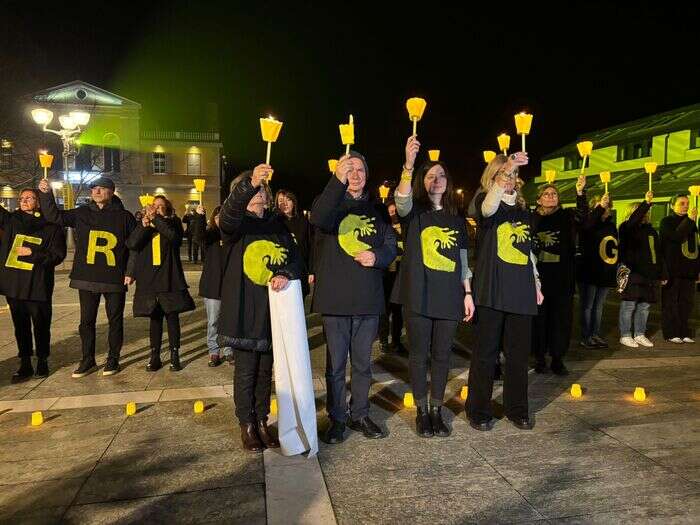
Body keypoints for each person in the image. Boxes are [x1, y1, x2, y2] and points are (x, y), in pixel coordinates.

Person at [311, 151, 397, 444]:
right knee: (335, 366)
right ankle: (336, 418)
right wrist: (336, 179)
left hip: (367, 297)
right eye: (350, 170)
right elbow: (319, 218)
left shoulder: (378, 209)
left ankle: (359, 413)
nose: (355, 174)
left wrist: (378, 256)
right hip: (336, 298)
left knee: (362, 363)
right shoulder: (331, 206)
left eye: (360, 169)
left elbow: (390, 245)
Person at [394, 136, 474, 437]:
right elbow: (401, 198)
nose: (437, 180)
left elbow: (463, 260)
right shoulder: (413, 211)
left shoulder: (456, 219)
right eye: (430, 175)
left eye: (441, 175)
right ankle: (422, 411)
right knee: (418, 355)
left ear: (448, 182)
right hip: (418, 293)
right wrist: (409, 164)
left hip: (450, 295)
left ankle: (437, 409)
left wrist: (468, 293)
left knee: (442, 355)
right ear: (422, 182)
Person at [217, 165, 301, 452]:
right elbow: (228, 216)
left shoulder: (278, 225)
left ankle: (263, 420)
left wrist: (285, 273)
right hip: (244, 306)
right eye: (252, 191)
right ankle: (247, 424)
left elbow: (295, 260)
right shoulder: (237, 225)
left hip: (271, 308)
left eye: (261, 191)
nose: (258, 195)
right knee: (246, 370)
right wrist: (250, 182)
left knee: (266, 370)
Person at [467, 152, 542, 432]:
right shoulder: (485, 203)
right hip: (492, 290)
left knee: (518, 355)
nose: (509, 180)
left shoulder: (524, 212)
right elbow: (487, 208)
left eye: (512, 175)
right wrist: (507, 165)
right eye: (503, 174)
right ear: (493, 177)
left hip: (520, 291)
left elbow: (528, 252)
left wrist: (536, 283)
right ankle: (478, 410)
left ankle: (517, 409)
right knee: (486, 354)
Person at [37, 177, 136, 377]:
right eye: (94, 188)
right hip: (86, 275)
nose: (96, 191)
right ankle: (88, 359)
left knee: (115, 320)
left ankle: (113, 359)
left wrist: (130, 271)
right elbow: (53, 216)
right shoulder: (82, 213)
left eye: (101, 188)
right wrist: (46, 195)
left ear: (111, 192)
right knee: (86, 321)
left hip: (114, 276)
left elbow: (134, 246)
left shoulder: (125, 217)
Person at [0, 189, 66, 380]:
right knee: (20, 326)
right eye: (21, 198)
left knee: (41, 325)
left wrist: (33, 254)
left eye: (28, 197)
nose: (23, 200)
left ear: (38, 201)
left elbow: (57, 255)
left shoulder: (51, 226)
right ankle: (25, 362)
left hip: (38, 284)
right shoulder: (12, 220)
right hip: (16, 284)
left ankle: (43, 360)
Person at [126, 195, 194, 371]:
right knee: (154, 319)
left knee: (172, 317)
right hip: (149, 278)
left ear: (168, 209)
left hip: (168, 277)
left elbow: (174, 238)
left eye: (161, 206)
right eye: (154, 206)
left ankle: (174, 354)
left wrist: (156, 218)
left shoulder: (173, 222)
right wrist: (143, 225)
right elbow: (132, 244)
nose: (156, 208)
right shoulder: (144, 224)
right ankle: (154, 355)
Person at [531, 177, 587, 376]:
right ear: (539, 199)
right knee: (538, 320)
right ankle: (539, 358)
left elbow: (583, 217)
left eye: (554, 194)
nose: (551, 196)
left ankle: (557, 358)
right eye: (546, 194)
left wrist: (580, 193)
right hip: (538, 279)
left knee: (561, 320)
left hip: (562, 278)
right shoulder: (532, 218)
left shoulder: (567, 216)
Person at [618, 191, 664, 348]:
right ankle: (625, 334)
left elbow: (657, 252)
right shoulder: (626, 228)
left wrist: (662, 272)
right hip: (633, 272)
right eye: (641, 212)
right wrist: (646, 203)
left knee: (644, 306)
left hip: (650, 274)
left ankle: (639, 333)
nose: (645, 215)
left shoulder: (651, 231)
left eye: (646, 212)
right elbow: (633, 222)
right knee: (629, 304)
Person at [578, 193, 618, 348]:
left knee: (599, 306)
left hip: (605, 272)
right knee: (587, 306)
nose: (604, 209)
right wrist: (599, 208)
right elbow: (587, 226)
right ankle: (586, 336)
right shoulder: (589, 224)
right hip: (589, 271)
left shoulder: (611, 226)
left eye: (607, 206)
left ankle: (595, 334)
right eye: (601, 206)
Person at [660, 194, 699, 343]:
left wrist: (697, 269)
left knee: (686, 302)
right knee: (671, 302)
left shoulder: (691, 223)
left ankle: (684, 331)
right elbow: (676, 237)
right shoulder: (667, 222)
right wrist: (689, 220)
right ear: (672, 206)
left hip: (689, 270)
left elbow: (695, 247)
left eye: (687, 203)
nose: (686, 206)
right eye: (682, 203)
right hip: (672, 269)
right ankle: (671, 332)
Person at [198, 205, 234, 366]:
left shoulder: (232, 235)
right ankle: (214, 351)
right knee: (213, 321)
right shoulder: (211, 234)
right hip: (212, 286)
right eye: (218, 216)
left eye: (224, 216)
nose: (221, 219)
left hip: (229, 286)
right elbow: (199, 236)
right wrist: (199, 217)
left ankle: (228, 350)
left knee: (230, 320)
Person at [378, 199, 405, 353]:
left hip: (400, 275)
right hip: (386, 274)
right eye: (391, 212)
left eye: (395, 212)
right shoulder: (384, 228)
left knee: (398, 311)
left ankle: (396, 340)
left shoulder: (405, 227)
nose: (393, 214)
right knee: (385, 310)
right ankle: (383, 340)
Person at [275, 189, 313, 296]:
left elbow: (310, 246)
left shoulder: (303, 222)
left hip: (300, 271)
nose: (285, 203)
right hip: (280, 273)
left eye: (288, 200)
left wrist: (311, 271)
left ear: (294, 202)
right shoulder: (274, 223)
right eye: (281, 200)